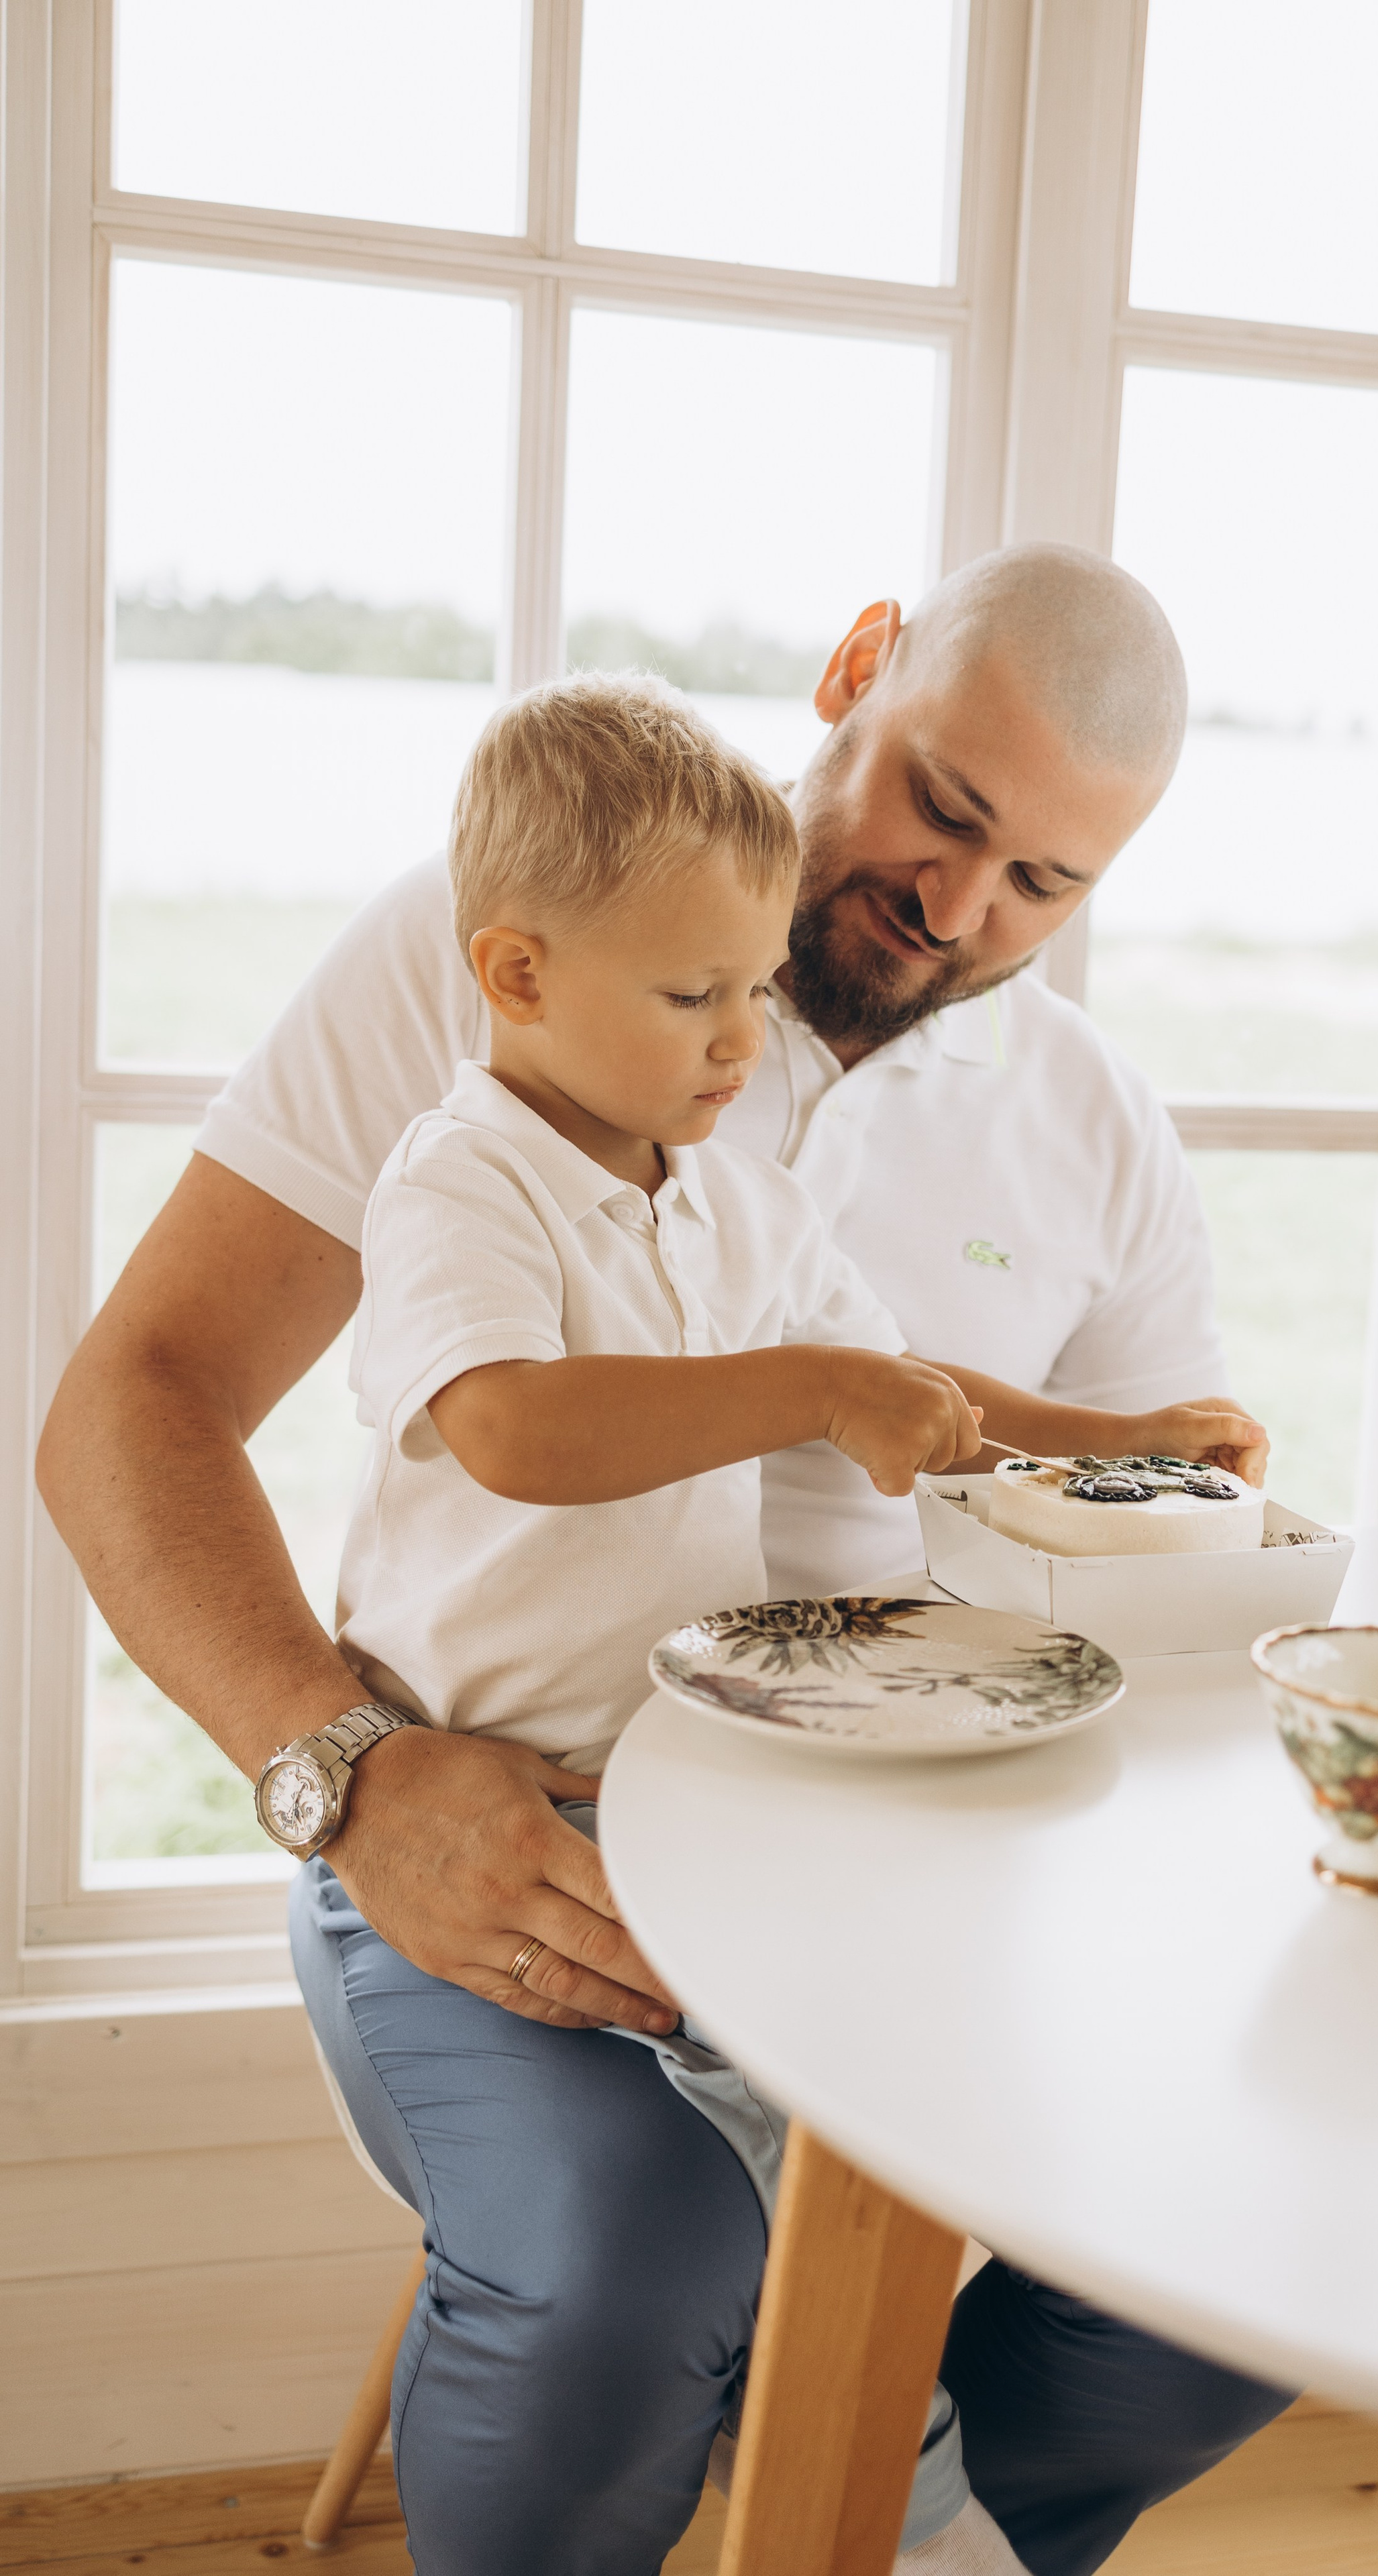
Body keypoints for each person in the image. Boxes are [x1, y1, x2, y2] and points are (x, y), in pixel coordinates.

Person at [38, 543, 1289, 2575]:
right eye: (945, 813)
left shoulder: (1093, 1121)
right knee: (630, 2283)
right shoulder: (503, 988)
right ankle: (794, 2423)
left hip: (924, 1863)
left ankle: (896, 2500)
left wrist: (1138, 1457)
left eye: (1044, 886)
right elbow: (137, 1406)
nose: (963, 911)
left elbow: (1129, 1550)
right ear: (857, 667)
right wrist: (337, 1763)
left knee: (1246, 2235)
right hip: (526, 1810)